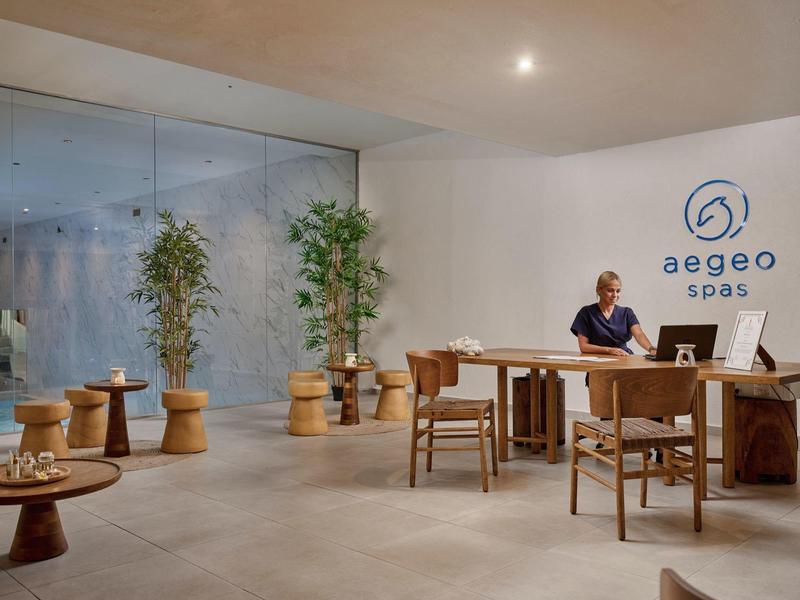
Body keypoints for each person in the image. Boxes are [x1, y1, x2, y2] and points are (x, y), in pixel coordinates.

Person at [570, 271, 656, 357]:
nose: (615, 295)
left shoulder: (627, 313)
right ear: (599, 289)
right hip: (597, 361)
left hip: (624, 359)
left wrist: (651, 349)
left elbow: (639, 334)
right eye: (610, 290)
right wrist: (609, 350)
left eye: (618, 291)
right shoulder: (586, 313)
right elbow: (584, 346)